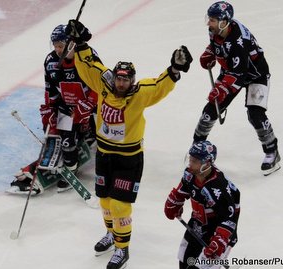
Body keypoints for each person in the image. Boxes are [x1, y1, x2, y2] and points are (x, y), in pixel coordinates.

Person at [66, 19, 193, 269]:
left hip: (129, 159)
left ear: (132, 81)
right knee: (104, 200)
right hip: (104, 155)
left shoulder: (141, 93)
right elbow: (88, 67)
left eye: (126, 80)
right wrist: (80, 43)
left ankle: (122, 250)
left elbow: (160, 85)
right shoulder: (104, 85)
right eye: (119, 79)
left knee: (119, 203)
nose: (121, 83)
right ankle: (112, 234)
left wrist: (174, 69)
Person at [7, 24, 99, 195]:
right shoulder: (51, 62)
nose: (57, 49)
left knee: (105, 133)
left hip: (92, 105)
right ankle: (71, 167)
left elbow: (98, 87)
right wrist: (50, 112)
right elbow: (50, 90)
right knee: (64, 141)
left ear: (71, 44)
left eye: (60, 46)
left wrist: (84, 110)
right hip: (68, 108)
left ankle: (92, 134)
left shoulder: (87, 57)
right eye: (55, 45)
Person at [193, 1, 281, 176]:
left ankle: (272, 152)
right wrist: (210, 52)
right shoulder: (215, 30)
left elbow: (239, 75)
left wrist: (222, 89)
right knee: (210, 110)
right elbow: (217, 46)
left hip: (255, 75)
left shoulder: (238, 42)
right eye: (209, 19)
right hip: (231, 71)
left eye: (212, 19)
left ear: (224, 21)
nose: (209, 23)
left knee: (255, 114)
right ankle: (196, 148)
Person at [164, 141, 240, 269]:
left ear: (207, 163)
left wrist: (220, 240)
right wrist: (175, 201)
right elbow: (182, 190)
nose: (190, 163)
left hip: (219, 232)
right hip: (198, 225)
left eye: (195, 161)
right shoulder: (190, 175)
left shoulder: (217, 188)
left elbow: (230, 218)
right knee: (185, 262)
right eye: (190, 159)